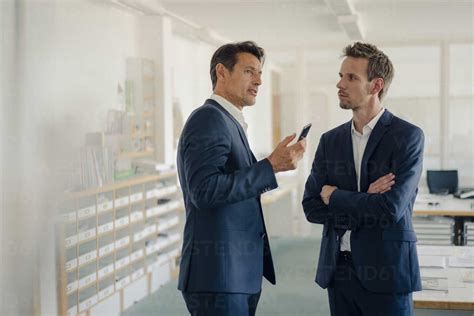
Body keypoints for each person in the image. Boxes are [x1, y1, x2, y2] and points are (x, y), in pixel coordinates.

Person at [177, 41, 306, 316]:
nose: (259, 80)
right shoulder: (208, 120)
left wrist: (271, 167)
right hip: (218, 276)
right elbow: (204, 190)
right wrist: (269, 167)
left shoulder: (228, 120)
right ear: (221, 72)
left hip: (234, 273)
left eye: (260, 73)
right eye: (250, 71)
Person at [302, 42, 424, 316]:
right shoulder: (330, 140)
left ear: (375, 85)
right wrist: (366, 199)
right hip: (339, 270)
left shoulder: (407, 137)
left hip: (387, 271)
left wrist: (334, 196)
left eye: (351, 77)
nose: (339, 84)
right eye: (340, 76)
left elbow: (390, 209)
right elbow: (311, 206)